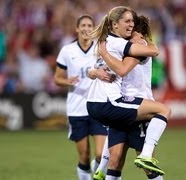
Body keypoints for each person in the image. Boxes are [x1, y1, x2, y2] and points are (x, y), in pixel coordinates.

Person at [86, 6, 170, 177]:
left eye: (132, 22)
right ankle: (145, 155)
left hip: (121, 102)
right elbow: (124, 69)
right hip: (128, 103)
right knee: (163, 111)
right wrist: (95, 71)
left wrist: (96, 69)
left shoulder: (119, 44)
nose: (130, 25)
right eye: (127, 21)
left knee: (116, 160)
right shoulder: (124, 45)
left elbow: (97, 68)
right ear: (115, 25)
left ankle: (101, 169)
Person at [54, 15, 110, 180]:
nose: (86, 28)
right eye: (83, 25)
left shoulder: (100, 49)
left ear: (94, 29)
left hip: (98, 107)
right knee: (84, 156)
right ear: (77, 28)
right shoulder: (67, 50)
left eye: (90, 25)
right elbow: (57, 78)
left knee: (101, 155)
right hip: (76, 109)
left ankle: (97, 169)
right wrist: (66, 81)